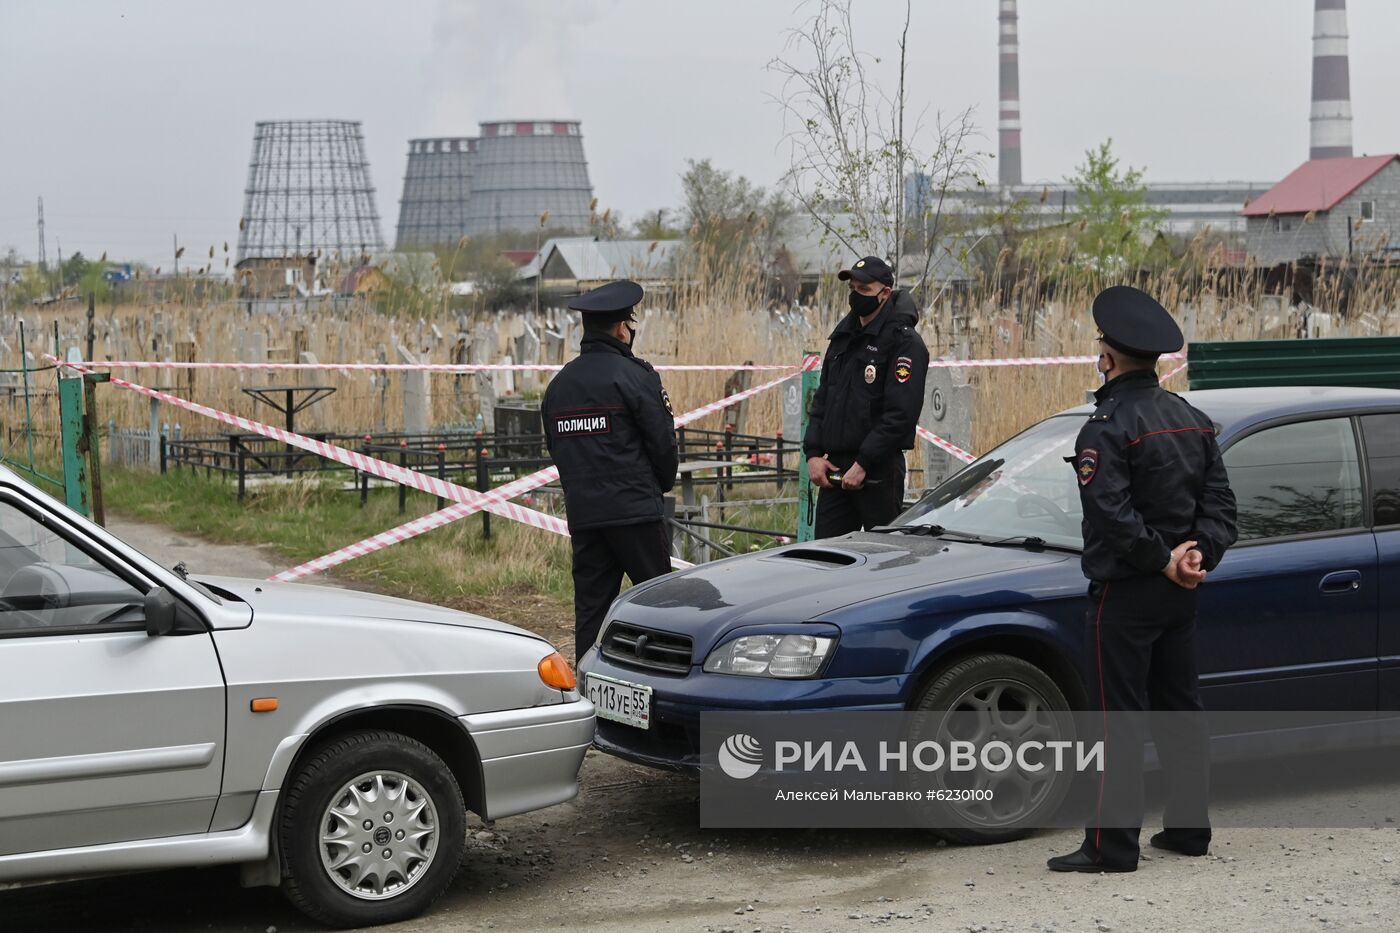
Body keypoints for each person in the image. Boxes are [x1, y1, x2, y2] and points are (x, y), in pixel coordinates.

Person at [1048, 285, 1238, 874]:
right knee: (1181, 710)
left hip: (1127, 594)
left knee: (1117, 718)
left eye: (1099, 346)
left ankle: (1111, 847)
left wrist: (1162, 561)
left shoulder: (1104, 429)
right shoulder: (1193, 419)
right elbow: (1222, 509)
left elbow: (1112, 517)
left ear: (1107, 358)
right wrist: (1193, 558)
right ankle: (1188, 830)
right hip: (1180, 594)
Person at [542, 280, 679, 660]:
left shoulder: (559, 385)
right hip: (635, 514)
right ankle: (659, 681)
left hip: (586, 517)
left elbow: (557, 449)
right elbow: (662, 444)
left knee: (591, 610)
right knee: (659, 605)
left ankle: (589, 683)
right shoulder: (636, 376)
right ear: (622, 328)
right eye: (630, 324)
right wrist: (660, 484)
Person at [802, 255, 929, 537]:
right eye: (852, 289)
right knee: (827, 561)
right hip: (834, 468)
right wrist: (812, 454)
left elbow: (900, 414)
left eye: (864, 290)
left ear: (884, 293)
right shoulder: (842, 337)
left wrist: (863, 464)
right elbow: (822, 400)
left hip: (877, 470)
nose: (856, 296)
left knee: (883, 561)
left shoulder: (904, 342)